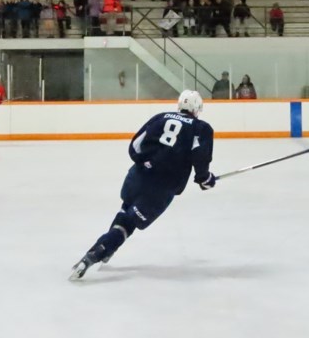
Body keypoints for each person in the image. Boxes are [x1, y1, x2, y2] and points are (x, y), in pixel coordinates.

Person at [69, 90, 216, 280]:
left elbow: (135, 145)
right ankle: (94, 254)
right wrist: (205, 178)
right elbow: (200, 156)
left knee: (126, 210)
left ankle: (105, 248)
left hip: (137, 177)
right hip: (161, 187)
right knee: (130, 224)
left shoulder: (160, 117)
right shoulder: (201, 128)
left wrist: (146, 162)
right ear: (197, 109)